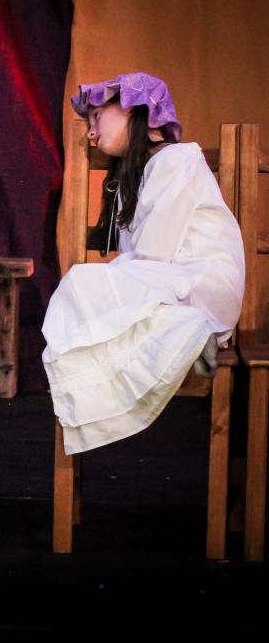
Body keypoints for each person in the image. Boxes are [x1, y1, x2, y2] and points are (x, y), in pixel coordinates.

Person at [42, 72, 244, 454]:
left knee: (81, 284)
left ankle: (198, 328)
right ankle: (181, 336)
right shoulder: (135, 177)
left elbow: (155, 253)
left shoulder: (177, 159)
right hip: (165, 280)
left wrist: (109, 281)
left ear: (136, 111)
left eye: (97, 116)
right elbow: (139, 258)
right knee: (83, 286)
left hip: (199, 282)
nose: (91, 132)